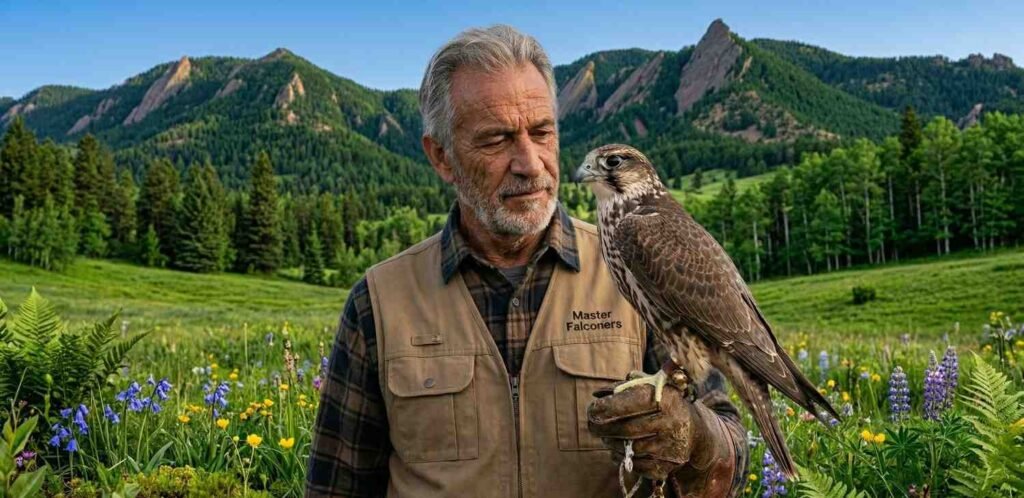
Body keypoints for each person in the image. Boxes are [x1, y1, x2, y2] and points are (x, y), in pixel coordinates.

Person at [306, 25, 748, 497]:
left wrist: (697, 440)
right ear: (442, 157)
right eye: (496, 140)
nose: (531, 163)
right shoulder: (379, 301)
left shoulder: (639, 264)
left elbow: (732, 459)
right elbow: (336, 487)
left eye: (542, 132)